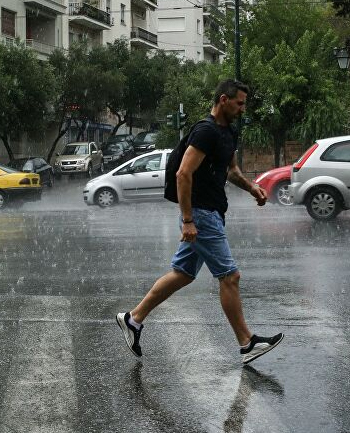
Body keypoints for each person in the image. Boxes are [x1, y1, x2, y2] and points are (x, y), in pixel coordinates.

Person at [116, 79, 284, 365]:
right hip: (201, 214)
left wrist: (252, 187)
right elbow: (184, 174)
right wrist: (188, 220)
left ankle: (133, 319)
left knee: (183, 273)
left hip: (214, 212)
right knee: (230, 276)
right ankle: (247, 343)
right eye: (239, 103)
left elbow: (231, 170)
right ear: (223, 100)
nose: (243, 108)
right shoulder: (205, 131)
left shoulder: (228, 132)